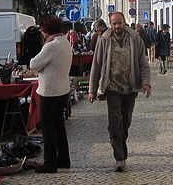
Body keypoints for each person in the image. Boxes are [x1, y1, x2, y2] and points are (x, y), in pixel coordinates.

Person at [88, 11, 151, 172]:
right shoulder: (104, 40)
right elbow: (96, 65)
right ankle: (120, 158)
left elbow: (143, 63)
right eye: (114, 24)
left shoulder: (135, 40)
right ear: (110, 25)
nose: (117, 26)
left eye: (119, 23)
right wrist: (92, 90)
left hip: (130, 87)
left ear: (124, 22)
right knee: (115, 122)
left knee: (126, 121)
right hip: (112, 87)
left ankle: (119, 143)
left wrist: (146, 83)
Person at [29, 14, 73, 173]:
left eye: (42, 30)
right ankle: (64, 159)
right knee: (59, 126)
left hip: (49, 92)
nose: (41, 32)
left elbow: (34, 64)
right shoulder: (65, 42)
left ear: (47, 30)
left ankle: (50, 163)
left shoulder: (51, 46)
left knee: (47, 128)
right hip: (62, 90)